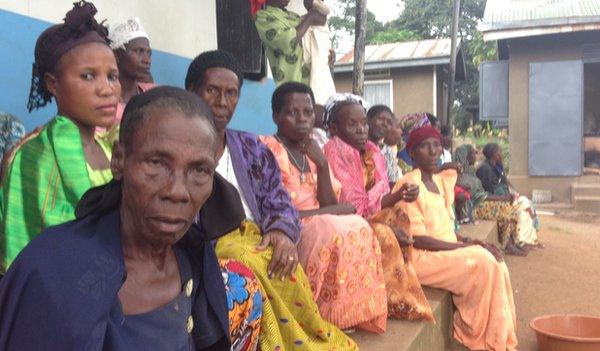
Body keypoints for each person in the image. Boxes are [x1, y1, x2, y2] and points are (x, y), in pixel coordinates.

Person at [0, 87, 262, 351]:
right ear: (119, 160)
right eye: (156, 163)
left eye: (200, 170)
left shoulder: (192, 259)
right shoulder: (54, 272)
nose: (178, 192)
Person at [186, 50, 356, 350]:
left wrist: (280, 230)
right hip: (209, 244)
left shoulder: (250, 145)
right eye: (212, 90)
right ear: (192, 91)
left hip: (258, 237)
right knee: (250, 261)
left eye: (231, 93)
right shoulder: (179, 145)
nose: (223, 102)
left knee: (283, 261)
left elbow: (278, 199)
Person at [372, 126, 518, 351]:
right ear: (412, 154)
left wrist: (470, 240)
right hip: (422, 258)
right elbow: (418, 239)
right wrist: (461, 247)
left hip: (445, 249)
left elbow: (445, 229)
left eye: (437, 145)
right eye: (424, 146)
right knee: (483, 263)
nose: (433, 152)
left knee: (495, 259)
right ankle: (474, 335)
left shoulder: (439, 183)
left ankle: (498, 337)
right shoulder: (410, 184)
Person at [0, 1, 120, 272]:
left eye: (112, 76)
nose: (106, 89)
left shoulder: (112, 149)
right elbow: (23, 256)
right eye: (88, 76)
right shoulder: (33, 157)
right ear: (53, 84)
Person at [261, 82, 387, 333]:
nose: (302, 119)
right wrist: (328, 213)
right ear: (276, 116)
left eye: (308, 112)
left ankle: (349, 312)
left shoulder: (313, 150)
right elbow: (271, 210)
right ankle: (324, 314)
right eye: (292, 112)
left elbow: (330, 203)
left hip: (320, 220)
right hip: (288, 227)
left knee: (359, 225)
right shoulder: (267, 149)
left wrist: (322, 165)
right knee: (331, 227)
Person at [322, 94, 433, 321]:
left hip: (366, 215)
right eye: (352, 124)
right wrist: (387, 217)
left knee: (400, 214)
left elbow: (378, 198)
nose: (362, 129)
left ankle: (393, 289)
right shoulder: (334, 151)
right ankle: (388, 298)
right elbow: (353, 205)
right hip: (343, 219)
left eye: (363, 123)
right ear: (334, 128)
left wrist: (399, 195)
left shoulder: (372, 151)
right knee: (384, 232)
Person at [453, 144, 529, 256]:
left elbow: (483, 193)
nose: (475, 156)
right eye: (473, 154)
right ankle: (508, 244)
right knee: (505, 209)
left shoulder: (471, 173)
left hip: (481, 202)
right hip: (474, 208)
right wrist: (501, 198)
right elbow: (477, 196)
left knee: (508, 207)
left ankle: (512, 242)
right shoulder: (461, 177)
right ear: (466, 157)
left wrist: (503, 198)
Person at [477, 143, 542, 249]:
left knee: (526, 202)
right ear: (494, 155)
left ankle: (530, 239)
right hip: (495, 200)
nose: (502, 154)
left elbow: (505, 182)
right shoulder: (484, 169)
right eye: (500, 152)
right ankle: (522, 239)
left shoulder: (496, 166)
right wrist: (505, 197)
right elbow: (490, 190)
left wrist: (514, 193)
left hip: (504, 197)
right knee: (523, 204)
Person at [252, 0, 327, 86]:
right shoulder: (263, 16)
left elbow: (311, 44)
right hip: (289, 88)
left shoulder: (295, 16)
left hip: (313, 86)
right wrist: (309, 19)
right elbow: (286, 43)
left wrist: (327, 53)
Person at [107, 17, 155, 126]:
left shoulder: (152, 94)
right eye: (139, 51)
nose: (147, 60)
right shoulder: (105, 96)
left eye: (149, 53)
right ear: (117, 54)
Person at [367, 104, 403, 187]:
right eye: (381, 119)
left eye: (389, 122)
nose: (385, 124)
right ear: (368, 120)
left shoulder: (387, 151)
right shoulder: (358, 148)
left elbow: (393, 181)